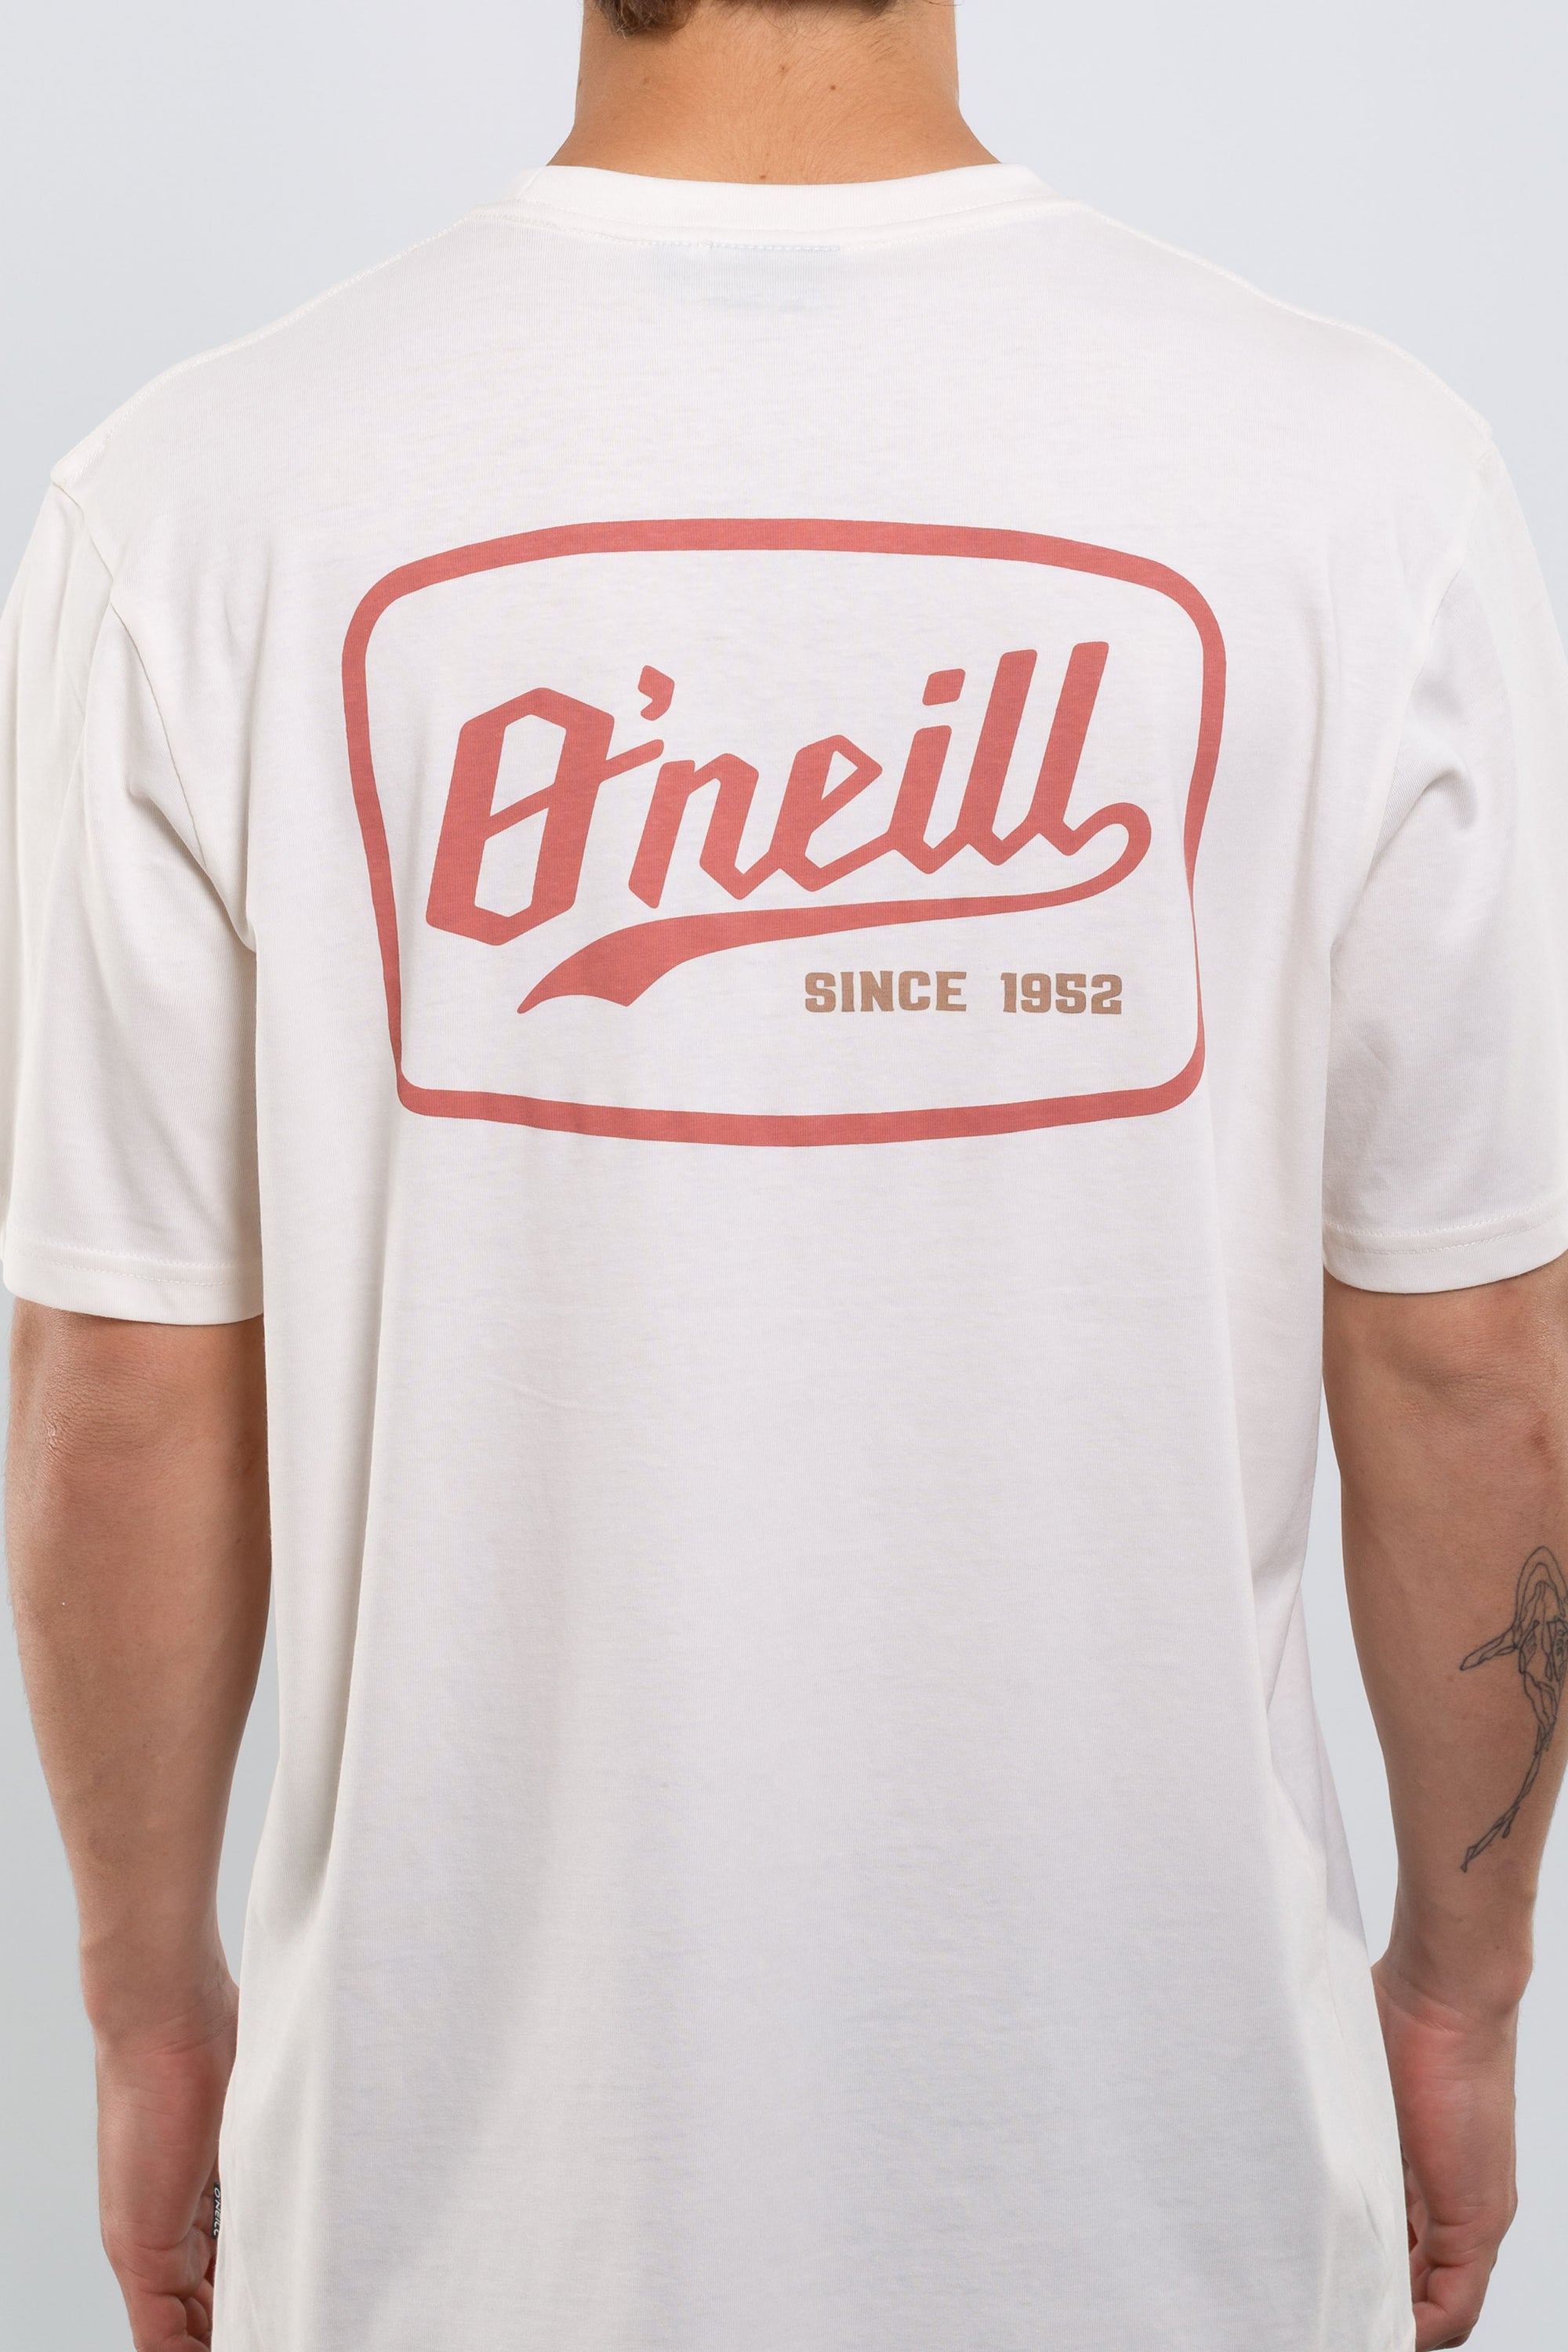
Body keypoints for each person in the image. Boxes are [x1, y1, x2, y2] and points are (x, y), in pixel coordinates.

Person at [4, 2, 1566, 2347]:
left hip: (456, 2220)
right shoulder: (1363, 485)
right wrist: (1462, 1988)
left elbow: (120, 1389)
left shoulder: (203, 502)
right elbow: (1472, 1362)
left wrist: (146, 2017)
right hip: (1177, 2197)